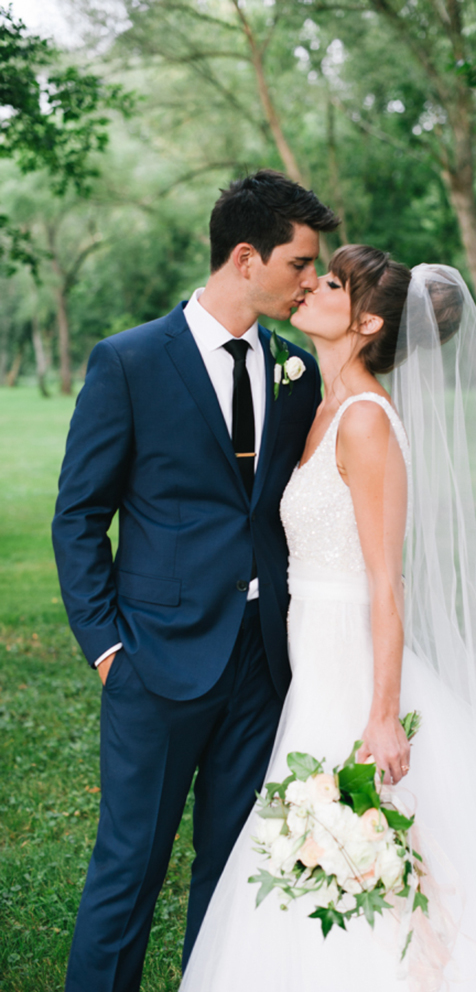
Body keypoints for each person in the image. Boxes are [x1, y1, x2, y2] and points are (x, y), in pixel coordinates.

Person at [180, 245, 476, 991]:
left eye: (331, 283)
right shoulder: (318, 403)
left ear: (366, 320)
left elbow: (386, 585)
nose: (311, 286)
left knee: (362, 845)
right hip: (310, 659)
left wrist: (380, 716)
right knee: (324, 850)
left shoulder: (367, 421)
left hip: (351, 665)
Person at [51, 169, 339, 992]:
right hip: (154, 660)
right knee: (128, 868)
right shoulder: (131, 361)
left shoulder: (293, 369)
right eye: (300, 265)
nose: (312, 282)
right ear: (246, 258)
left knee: (235, 870)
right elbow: (79, 516)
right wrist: (109, 647)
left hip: (260, 661)